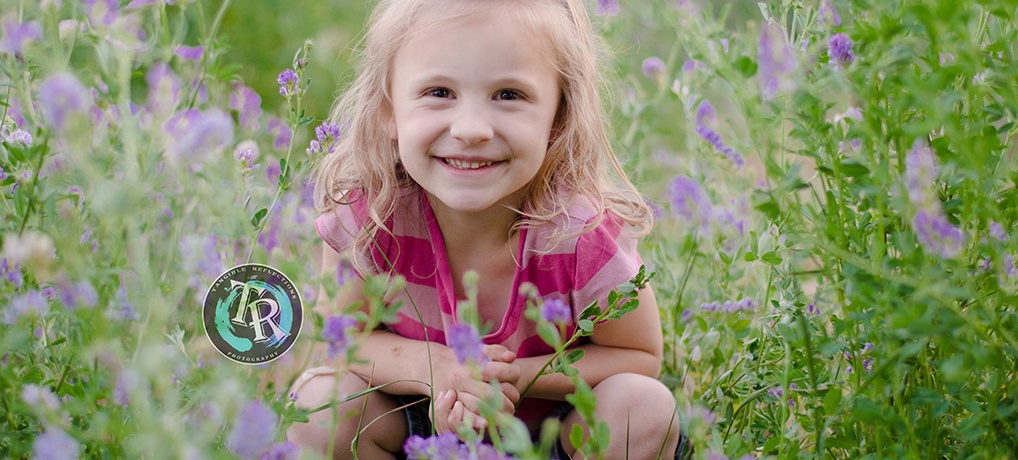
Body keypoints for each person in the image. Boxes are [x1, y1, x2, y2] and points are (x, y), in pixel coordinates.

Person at [287, 0, 682, 458]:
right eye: (439, 91)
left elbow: (640, 357)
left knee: (644, 407)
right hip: (415, 431)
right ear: (387, 111)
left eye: (509, 95)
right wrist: (437, 368)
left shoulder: (583, 234)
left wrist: (521, 376)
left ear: (559, 118)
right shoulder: (371, 218)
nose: (471, 129)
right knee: (318, 405)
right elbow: (341, 339)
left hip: (554, 433)